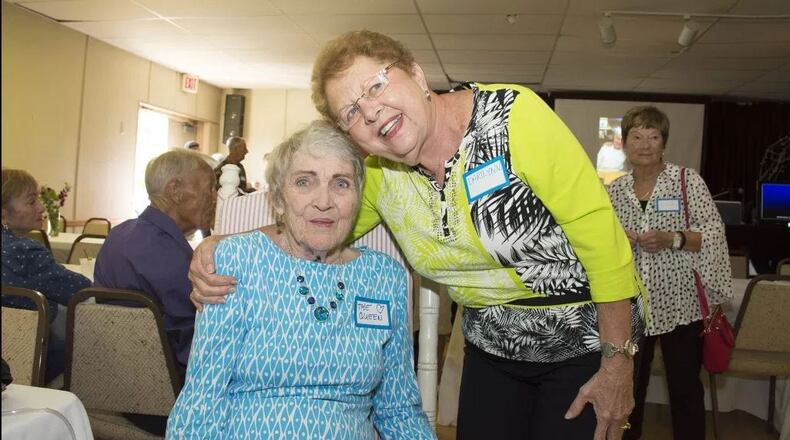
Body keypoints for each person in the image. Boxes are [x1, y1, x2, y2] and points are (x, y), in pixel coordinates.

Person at [190, 30, 644, 440]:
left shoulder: (513, 119)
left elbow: (602, 241)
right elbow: (322, 218)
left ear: (416, 74)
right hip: (491, 346)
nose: (370, 110)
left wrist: (618, 359)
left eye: (376, 85)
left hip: (584, 338)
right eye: (351, 111)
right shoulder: (380, 174)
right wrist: (224, 243)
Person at [167, 120, 434, 439]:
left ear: (357, 199)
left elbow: (399, 408)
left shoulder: (384, 278)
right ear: (279, 200)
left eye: (341, 183)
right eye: (305, 182)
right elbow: (202, 400)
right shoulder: (239, 262)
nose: (324, 201)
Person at [606, 106, 733, 440]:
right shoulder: (615, 191)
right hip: (632, 306)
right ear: (625, 143)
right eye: (636, 136)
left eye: (653, 136)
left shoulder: (686, 180)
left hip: (681, 305)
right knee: (630, 389)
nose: (645, 144)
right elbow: (605, 240)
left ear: (664, 143)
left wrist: (672, 238)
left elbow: (713, 234)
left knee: (685, 389)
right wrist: (622, 240)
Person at [95, 150, 216, 371]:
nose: (214, 198)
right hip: (168, 376)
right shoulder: (172, 255)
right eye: (209, 188)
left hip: (115, 368)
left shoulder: (118, 235)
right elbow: (198, 333)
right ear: (175, 190)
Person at [1, 168, 91, 382]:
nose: (41, 207)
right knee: (86, 339)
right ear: (3, 212)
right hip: (24, 355)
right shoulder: (25, 252)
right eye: (31, 201)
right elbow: (79, 290)